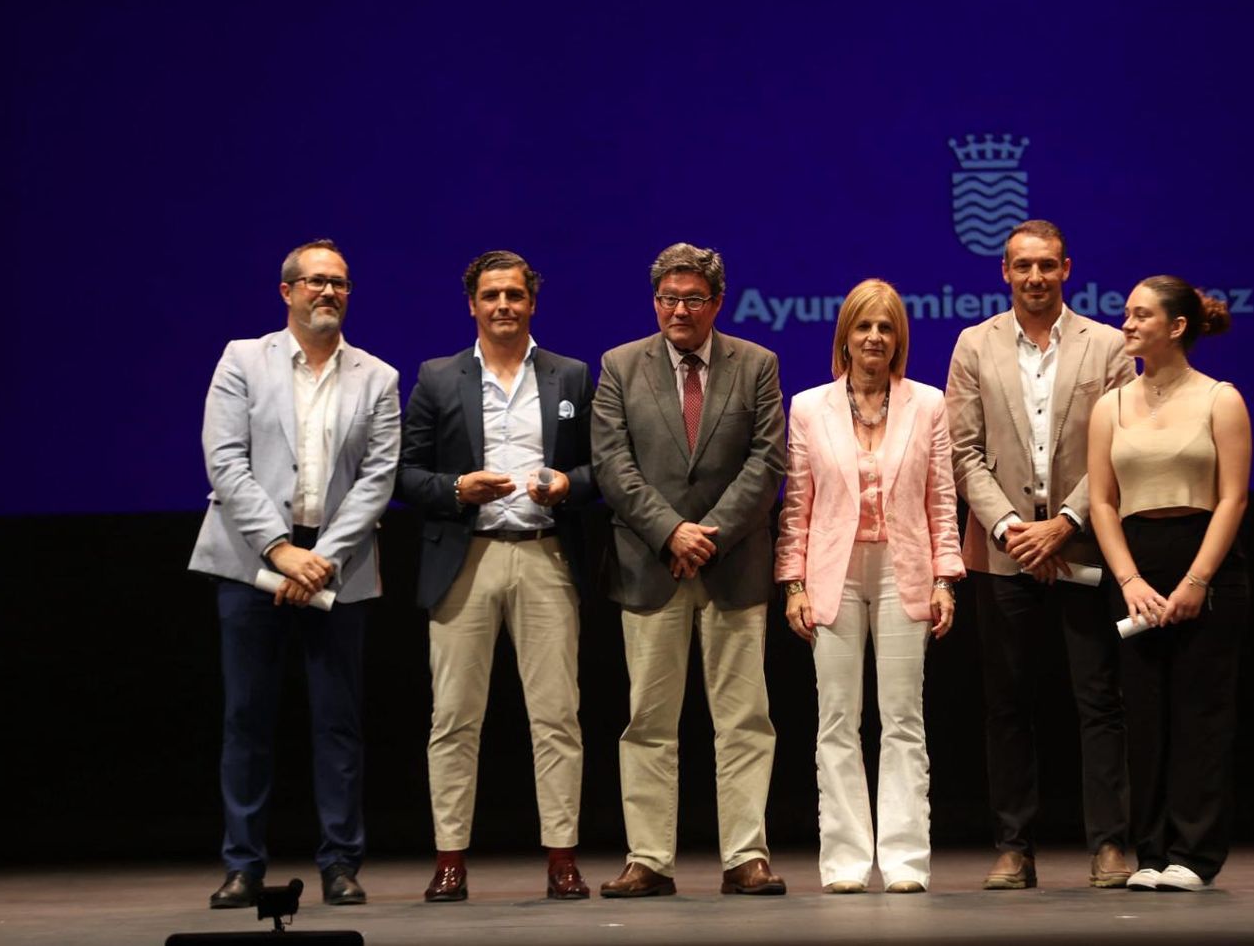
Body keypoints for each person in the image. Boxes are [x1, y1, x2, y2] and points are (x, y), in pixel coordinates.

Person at [188, 239, 400, 909]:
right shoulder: (242, 359)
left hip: (338, 563)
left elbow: (377, 481)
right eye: (315, 281)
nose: (328, 292)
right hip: (252, 560)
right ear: (287, 291)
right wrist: (281, 551)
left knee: (337, 723)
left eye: (339, 282)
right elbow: (225, 461)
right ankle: (243, 865)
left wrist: (321, 560)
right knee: (247, 719)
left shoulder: (378, 376)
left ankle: (340, 862)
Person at [394, 251, 597, 902]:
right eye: (491, 295)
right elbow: (405, 474)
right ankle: (450, 859)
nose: (503, 305)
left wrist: (567, 485)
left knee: (557, 715)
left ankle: (562, 858)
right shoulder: (437, 377)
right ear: (472, 305)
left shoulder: (569, 375)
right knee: (454, 717)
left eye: (514, 294)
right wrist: (458, 488)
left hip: (544, 554)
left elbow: (601, 468)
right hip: (466, 556)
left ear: (532, 302)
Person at [591, 242, 788, 898]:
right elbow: (612, 464)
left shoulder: (757, 363)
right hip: (651, 565)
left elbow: (767, 461)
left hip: (734, 565)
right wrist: (670, 530)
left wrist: (710, 535)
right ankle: (649, 858)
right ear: (655, 302)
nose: (679, 309)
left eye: (693, 298)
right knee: (648, 721)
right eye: (668, 298)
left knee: (745, 719)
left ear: (717, 302)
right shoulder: (620, 365)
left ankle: (746, 855)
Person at [945, 219, 1137, 890]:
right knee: (1007, 704)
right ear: (1004, 271)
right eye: (1023, 265)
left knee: (1099, 699)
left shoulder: (1107, 345)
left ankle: (1109, 843)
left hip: (1085, 544)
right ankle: (1013, 846)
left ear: (1066, 269)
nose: (1035, 277)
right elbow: (963, 452)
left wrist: (1063, 522)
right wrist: (1010, 529)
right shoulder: (974, 344)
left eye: (1047, 265)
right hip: (1005, 555)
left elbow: (1120, 442)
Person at [774, 279, 964, 894]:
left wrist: (945, 578)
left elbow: (942, 500)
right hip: (834, 573)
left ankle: (905, 861)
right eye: (864, 327)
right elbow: (797, 504)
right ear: (845, 337)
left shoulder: (928, 404)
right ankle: (846, 863)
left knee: (903, 719)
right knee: (837, 720)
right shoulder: (809, 407)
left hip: (904, 569)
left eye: (885, 328)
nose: (875, 338)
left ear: (899, 338)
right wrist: (793, 583)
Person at [1086, 276, 1251, 892]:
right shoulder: (1110, 405)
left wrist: (1197, 580)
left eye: (1141, 315)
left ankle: (1194, 854)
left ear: (1177, 327)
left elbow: (1232, 498)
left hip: (1204, 562)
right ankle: (1151, 853)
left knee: (1200, 715)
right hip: (1136, 568)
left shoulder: (1219, 399)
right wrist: (1128, 578)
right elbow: (1102, 502)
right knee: (1145, 716)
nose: (1127, 325)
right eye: (1126, 314)